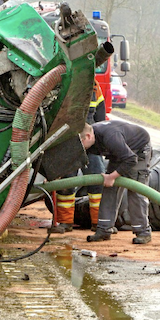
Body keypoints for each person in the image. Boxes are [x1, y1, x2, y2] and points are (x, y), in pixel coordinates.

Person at [80, 119, 153, 244]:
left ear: (87, 136)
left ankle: (143, 232)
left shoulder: (110, 136)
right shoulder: (92, 136)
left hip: (138, 150)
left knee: (135, 190)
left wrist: (112, 176)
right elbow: (76, 159)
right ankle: (104, 230)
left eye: (80, 144)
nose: (80, 148)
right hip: (120, 152)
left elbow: (131, 159)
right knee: (109, 188)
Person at [50, 79, 106, 233]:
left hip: (90, 137)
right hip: (68, 138)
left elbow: (101, 115)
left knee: (97, 179)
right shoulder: (64, 81)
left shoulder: (94, 85)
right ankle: (65, 222)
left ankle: (99, 223)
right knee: (67, 180)